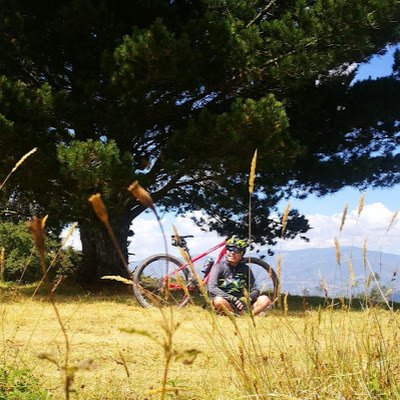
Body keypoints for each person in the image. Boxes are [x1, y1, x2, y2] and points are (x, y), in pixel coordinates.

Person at [207, 236, 272, 316]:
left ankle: (248, 315)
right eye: (229, 249)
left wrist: (246, 299)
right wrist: (232, 298)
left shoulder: (245, 269)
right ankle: (237, 314)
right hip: (225, 300)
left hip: (241, 303)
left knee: (265, 299)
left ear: (241, 254)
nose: (232, 253)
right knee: (218, 301)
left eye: (236, 250)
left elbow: (255, 289)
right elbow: (212, 288)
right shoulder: (218, 267)